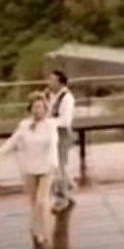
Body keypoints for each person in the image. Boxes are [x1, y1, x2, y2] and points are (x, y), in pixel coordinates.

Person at [0, 92, 59, 248]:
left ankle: (44, 231)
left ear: (45, 109)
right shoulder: (24, 125)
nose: (37, 110)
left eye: (40, 107)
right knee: (33, 202)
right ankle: (36, 228)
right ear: (30, 109)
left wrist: (54, 163)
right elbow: (11, 142)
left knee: (42, 201)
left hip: (46, 167)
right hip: (29, 168)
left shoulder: (50, 125)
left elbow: (53, 144)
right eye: (35, 107)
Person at [47, 70, 77, 212]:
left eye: (52, 80)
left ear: (60, 82)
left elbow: (65, 120)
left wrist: (47, 122)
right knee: (57, 165)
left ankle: (62, 197)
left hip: (62, 133)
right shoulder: (51, 95)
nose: (49, 82)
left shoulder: (67, 98)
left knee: (59, 165)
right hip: (52, 133)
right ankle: (69, 187)